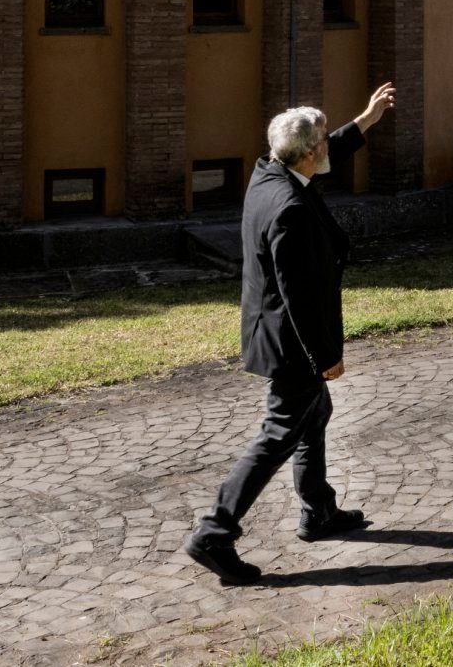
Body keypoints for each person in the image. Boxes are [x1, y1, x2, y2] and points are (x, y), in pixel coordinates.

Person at [185, 83, 395, 586]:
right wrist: (325, 357)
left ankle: (318, 511)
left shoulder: (269, 175)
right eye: (323, 141)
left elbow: (320, 155)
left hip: (271, 329)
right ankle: (214, 532)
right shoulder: (292, 211)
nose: (327, 148)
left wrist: (364, 120)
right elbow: (299, 296)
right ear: (308, 154)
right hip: (291, 342)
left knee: (314, 413)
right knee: (279, 433)